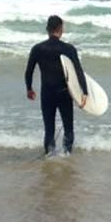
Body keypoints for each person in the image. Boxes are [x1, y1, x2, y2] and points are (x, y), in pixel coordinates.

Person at [25, 15, 88, 155]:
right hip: (64, 93)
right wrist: (84, 92)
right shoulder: (69, 49)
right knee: (68, 128)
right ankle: (67, 155)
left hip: (47, 93)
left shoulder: (37, 49)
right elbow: (78, 71)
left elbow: (29, 71)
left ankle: (50, 156)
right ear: (60, 29)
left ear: (47, 29)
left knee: (49, 128)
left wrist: (29, 88)